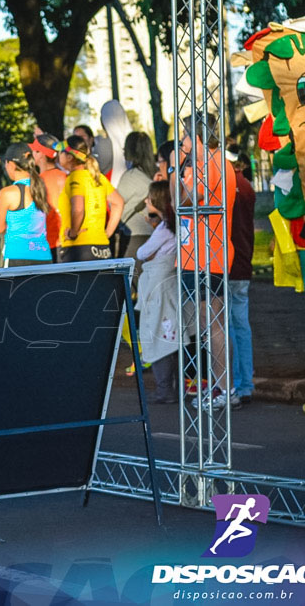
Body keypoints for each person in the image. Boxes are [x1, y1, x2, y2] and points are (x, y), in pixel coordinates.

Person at [174, 115, 235, 409]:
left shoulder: (212, 164)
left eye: (184, 136)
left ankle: (224, 389)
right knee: (209, 327)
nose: (181, 142)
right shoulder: (202, 165)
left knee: (214, 327)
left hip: (208, 258)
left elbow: (182, 201)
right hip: (197, 257)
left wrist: (175, 167)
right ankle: (219, 387)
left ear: (196, 137)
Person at [135, 181, 180, 403]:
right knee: (172, 335)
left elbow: (143, 252)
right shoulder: (173, 225)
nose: (146, 201)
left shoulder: (164, 229)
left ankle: (164, 390)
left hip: (158, 287)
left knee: (157, 334)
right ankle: (173, 388)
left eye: (149, 197)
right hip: (169, 284)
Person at [56, 136, 123, 261]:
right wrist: (106, 233)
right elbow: (118, 203)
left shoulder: (74, 178)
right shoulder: (97, 177)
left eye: (61, 152)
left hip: (78, 248)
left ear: (69, 157)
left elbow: (78, 209)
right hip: (102, 247)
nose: (58, 156)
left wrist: (72, 233)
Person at [228, 148, 255, 407]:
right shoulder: (245, 185)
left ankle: (234, 385)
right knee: (240, 325)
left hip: (225, 263)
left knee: (225, 328)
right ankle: (244, 384)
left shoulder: (225, 182)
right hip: (242, 262)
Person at [115, 132, 157, 270]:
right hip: (152, 235)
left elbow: (117, 204)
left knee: (131, 283)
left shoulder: (131, 176)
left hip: (134, 237)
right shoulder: (155, 174)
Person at [30, 133, 66, 261]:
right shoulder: (65, 176)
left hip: (49, 243)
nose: (31, 153)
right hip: (68, 243)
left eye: (34, 151)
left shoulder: (38, 182)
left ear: (41, 154)